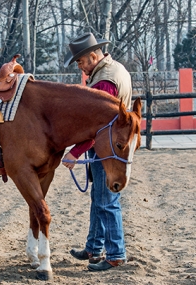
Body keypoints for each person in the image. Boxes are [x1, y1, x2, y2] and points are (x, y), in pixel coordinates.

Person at [62, 32, 132, 271]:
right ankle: (94, 247)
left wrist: (75, 151)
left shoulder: (104, 83)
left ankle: (115, 254)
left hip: (106, 149)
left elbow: (98, 126)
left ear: (93, 56)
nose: (80, 67)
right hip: (107, 148)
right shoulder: (114, 69)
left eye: (81, 62)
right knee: (99, 199)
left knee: (107, 202)